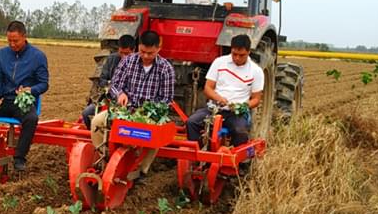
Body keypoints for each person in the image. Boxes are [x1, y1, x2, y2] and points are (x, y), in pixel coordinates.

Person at [90, 30, 175, 177]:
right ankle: (106, 157)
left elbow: (166, 99)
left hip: (148, 113)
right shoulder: (128, 61)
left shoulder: (166, 69)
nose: (146, 56)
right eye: (143, 52)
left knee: (154, 134)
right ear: (138, 47)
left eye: (150, 53)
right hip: (126, 109)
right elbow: (115, 85)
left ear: (158, 49)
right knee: (97, 122)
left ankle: (141, 171)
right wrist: (120, 94)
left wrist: (148, 111)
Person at [186, 34, 264, 151]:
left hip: (236, 114)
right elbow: (208, 88)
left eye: (241, 55)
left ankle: (236, 163)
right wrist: (218, 98)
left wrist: (242, 106)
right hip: (214, 108)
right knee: (191, 122)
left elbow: (256, 99)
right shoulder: (219, 63)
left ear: (249, 52)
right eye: (234, 54)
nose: (237, 58)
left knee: (240, 131)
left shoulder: (256, 71)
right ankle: (199, 156)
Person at [0, 20, 49, 171]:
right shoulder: (2, 54)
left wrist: (30, 90)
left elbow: (44, 84)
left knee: (31, 118)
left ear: (24, 37)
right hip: (3, 100)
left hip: (21, 103)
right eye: (9, 40)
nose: (12, 44)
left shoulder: (38, 56)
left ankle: (19, 158)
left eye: (15, 41)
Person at [81, 34, 136, 129]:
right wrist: (110, 88)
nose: (124, 57)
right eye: (121, 53)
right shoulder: (112, 59)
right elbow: (102, 79)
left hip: (130, 103)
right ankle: (96, 137)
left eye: (127, 54)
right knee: (87, 113)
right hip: (110, 99)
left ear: (134, 50)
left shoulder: (139, 63)